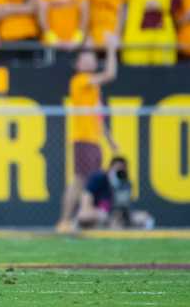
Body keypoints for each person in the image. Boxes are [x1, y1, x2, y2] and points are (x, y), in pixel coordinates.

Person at [56, 36, 118, 233]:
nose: (90, 61)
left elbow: (98, 116)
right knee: (80, 180)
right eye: (86, 58)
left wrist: (109, 139)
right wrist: (110, 49)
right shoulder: (79, 81)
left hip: (94, 140)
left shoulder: (92, 86)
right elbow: (110, 74)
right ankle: (65, 220)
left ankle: (79, 219)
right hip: (83, 139)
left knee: (88, 182)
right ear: (78, 64)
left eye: (92, 58)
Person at [76, 156, 154, 229]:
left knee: (145, 218)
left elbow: (124, 207)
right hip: (99, 214)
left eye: (122, 169)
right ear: (110, 168)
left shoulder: (126, 183)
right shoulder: (99, 178)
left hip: (116, 216)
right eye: (117, 169)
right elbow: (85, 204)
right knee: (86, 216)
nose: (119, 172)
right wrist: (102, 215)